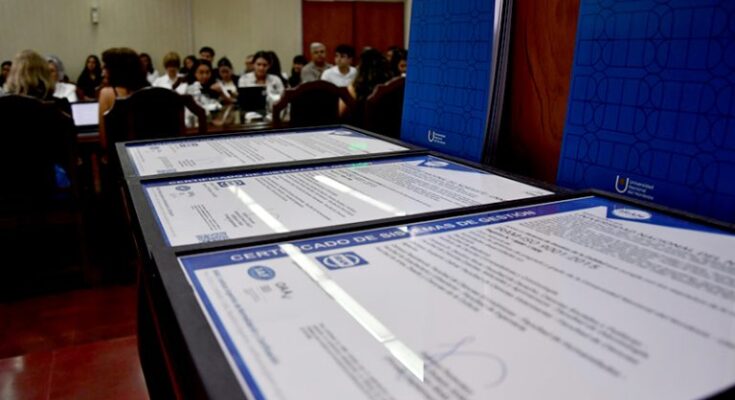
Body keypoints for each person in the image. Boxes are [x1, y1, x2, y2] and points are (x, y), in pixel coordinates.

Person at [98, 47, 149, 150]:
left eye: (106, 67)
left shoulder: (106, 93)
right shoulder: (149, 91)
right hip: (148, 152)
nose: (103, 73)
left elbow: (104, 141)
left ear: (116, 69)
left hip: (119, 154)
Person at [340, 48, 392, 117]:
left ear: (360, 67)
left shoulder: (354, 88)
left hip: (359, 123)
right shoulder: (391, 85)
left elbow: (340, 112)